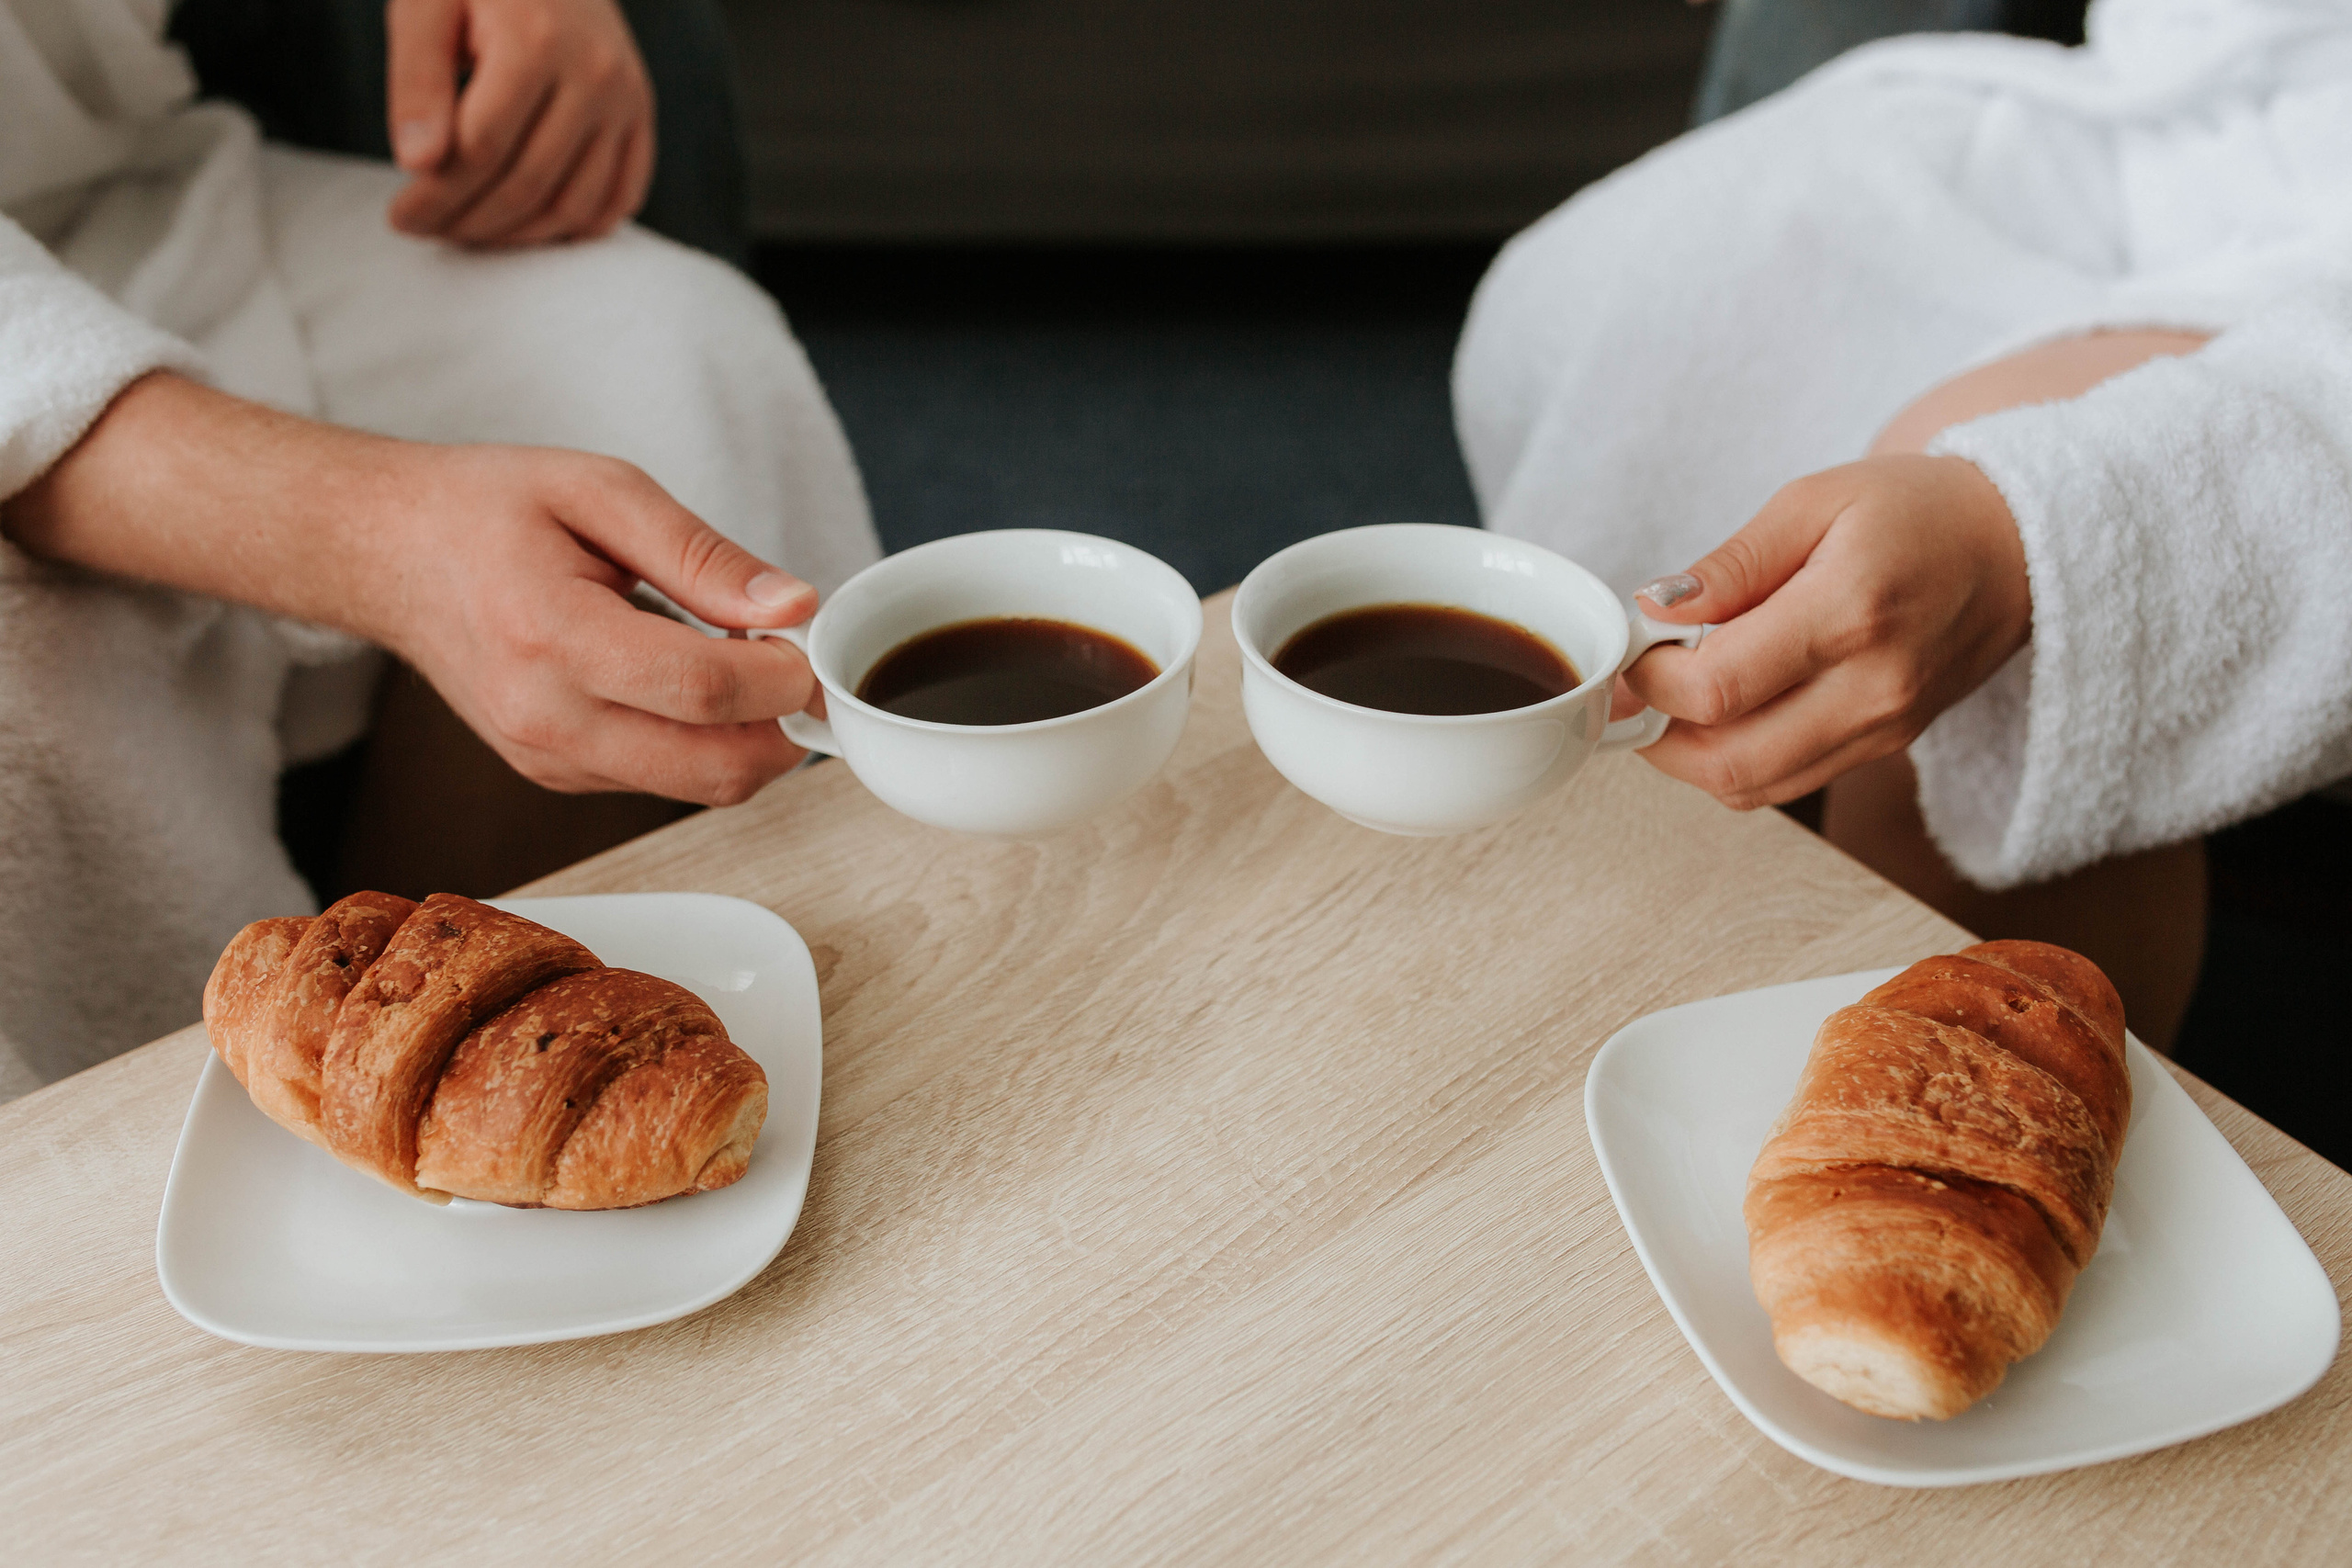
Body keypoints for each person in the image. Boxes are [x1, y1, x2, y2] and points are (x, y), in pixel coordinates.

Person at [0, 0, 880, 1097]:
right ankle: (188, 1168)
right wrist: (377, 540)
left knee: (677, 357)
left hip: (107, 191)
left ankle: (532, 1059)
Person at [1455, 0, 2352, 1048]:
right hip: (2197, 112)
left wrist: (2021, 544)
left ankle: (1955, 1137)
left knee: (2018, 513)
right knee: (1617, 288)